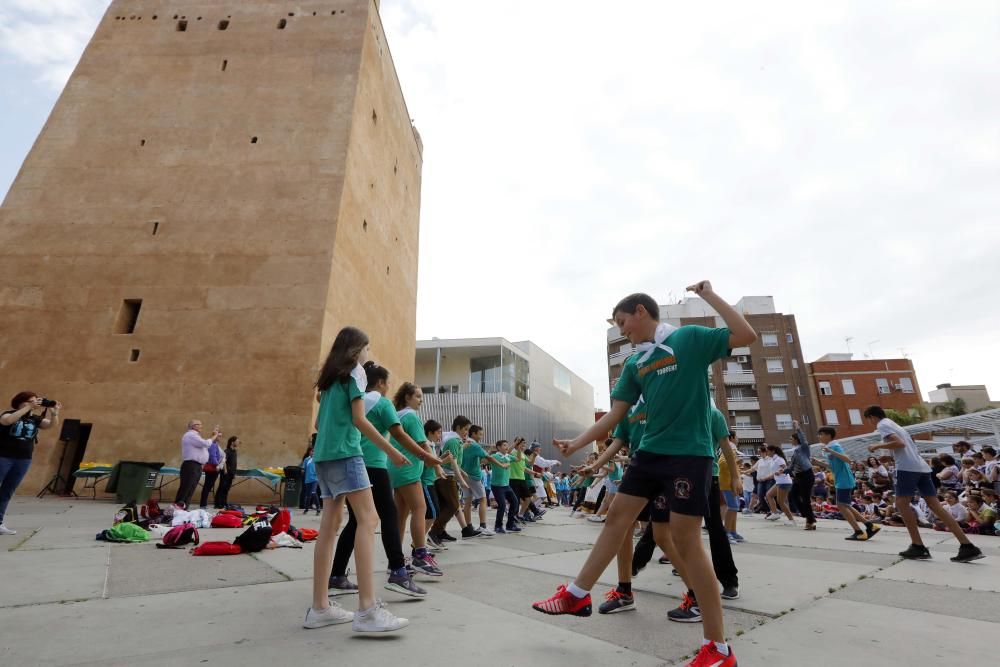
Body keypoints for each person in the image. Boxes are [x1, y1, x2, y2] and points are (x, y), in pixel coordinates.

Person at [535, 281, 756, 667]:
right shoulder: (635, 363)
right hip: (649, 452)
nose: (622, 331)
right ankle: (577, 593)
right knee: (616, 518)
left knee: (687, 542)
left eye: (623, 322)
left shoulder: (688, 339)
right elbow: (616, 415)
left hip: (690, 455)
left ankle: (719, 650)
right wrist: (578, 442)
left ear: (641, 311)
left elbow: (746, 334)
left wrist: (708, 295)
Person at [304, 326, 409, 632]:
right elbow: (359, 420)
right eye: (367, 347)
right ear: (355, 349)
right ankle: (367, 610)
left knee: (330, 526)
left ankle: (319, 607)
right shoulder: (356, 373)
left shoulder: (327, 380)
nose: (368, 353)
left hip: (323, 455)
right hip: (346, 454)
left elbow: (319, 422)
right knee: (369, 520)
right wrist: (391, 450)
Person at [330, 362, 439, 597]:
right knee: (389, 515)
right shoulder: (381, 402)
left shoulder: (357, 401)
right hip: (375, 466)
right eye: (387, 382)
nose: (388, 386)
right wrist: (426, 456)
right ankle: (398, 572)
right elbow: (399, 435)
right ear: (380, 383)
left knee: (356, 522)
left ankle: (337, 575)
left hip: (353, 463)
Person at [863, 405, 983, 563]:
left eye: (869, 420)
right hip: (921, 468)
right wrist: (890, 456)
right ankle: (967, 545)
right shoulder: (895, 425)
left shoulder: (882, 425)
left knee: (901, 504)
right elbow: (904, 446)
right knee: (937, 507)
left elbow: (899, 443)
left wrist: (877, 446)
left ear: (872, 417)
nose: (871, 423)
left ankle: (917, 545)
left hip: (907, 469)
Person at [384, 382, 445, 576]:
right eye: (418, 396)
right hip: (408, 470)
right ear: (407, 397)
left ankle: (395, 560)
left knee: (401, 516)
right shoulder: (411, 416)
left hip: (396, 468)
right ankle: (420, 554)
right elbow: (423, 445)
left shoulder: (397, 415)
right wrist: (436, 465)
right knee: (421, 508)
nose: (421, 400)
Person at [1, 392, 61, 535]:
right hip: (3, 457)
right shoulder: (8, 414)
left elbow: (50, 426)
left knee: (7, 491)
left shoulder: (34, 419)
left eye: (37, 401)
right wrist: (28, 408)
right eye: (32, 401)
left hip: (23, 459)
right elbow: (7, 421)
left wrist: (54, 413)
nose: (36, 404)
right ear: (21, 402)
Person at [817, 426, 879, 541]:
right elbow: (833, 467)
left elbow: (847, 459)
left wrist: (831, 451)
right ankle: (870, 526)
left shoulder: (834, 446)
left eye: (821, 434)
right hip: (841, 479)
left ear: (828, 435)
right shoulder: (828, 448)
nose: (819, 436)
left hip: (844, 480)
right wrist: (818, 462)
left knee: (841, 505)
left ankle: (859, 532)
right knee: (846, 505)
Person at [429, 416, 482, 542]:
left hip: (446, 476)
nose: (466, 432)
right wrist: (462, 480)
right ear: (458, 427)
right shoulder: (453, 441)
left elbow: (455, 459)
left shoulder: (456, 441)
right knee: (453, 506)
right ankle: (434, 532)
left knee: (446, 506)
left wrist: (462, 473)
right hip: (447, 477)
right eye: (465, 429)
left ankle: (440, 532)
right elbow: (453, 463)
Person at [461, 425, 509, 535]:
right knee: (483, 499)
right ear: (473, 434)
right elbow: (489, 457)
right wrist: (501, 465)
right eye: (480, 434)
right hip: (474, 476)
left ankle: (468, 527)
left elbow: (481, 459)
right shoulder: (475, 445)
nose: (481, 437)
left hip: (463, 476)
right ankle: (483, 526)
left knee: (467, 502)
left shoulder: (464, 444)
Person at [176, 419, 221, 509]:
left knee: (190, 489)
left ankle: (183, 510)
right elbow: (206, 443)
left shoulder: (195, 436)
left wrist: (213, 437)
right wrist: (215, 435)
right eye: (199, 424)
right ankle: (178, 509)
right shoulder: (191, 435)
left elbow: (204, 446)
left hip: (196, 466)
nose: (201, 426)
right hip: (191, 466)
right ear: (193, 426)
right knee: (186, 489)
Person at [788, 420, 817, 529]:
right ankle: (809, 516)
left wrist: (797, 427)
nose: (790, 440)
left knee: (805, 499)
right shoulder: (794, 451)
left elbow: (804, 439)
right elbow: (792, 466)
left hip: (806, 475)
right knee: (793, 495)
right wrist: (785, 471)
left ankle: (810, 522)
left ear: (796, 439)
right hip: (798, 476)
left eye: (791, 438)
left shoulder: (803, 448)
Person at [488, 440, 519, 533]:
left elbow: (518, 459)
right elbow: (484, 460)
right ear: (498, 447)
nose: (507, 447)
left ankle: (510, 524)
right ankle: (498, 526)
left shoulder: (508, 456)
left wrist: (520, 449)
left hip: (506, 485)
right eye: (504, 445)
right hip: (497, 486)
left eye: (507, 445)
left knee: (515, 502)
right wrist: (489, 451)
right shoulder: (495, 456)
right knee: (502, 505)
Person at [764, 445, 795, 525]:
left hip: (784, 482)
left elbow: (785, 468)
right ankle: (775, 514)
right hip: (779, 482)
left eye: (767, 451)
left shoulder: (779, 459)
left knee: (780, 501)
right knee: (769, 495)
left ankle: (791, 520)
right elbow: (774, 473)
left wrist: (780, 472)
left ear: (773, 451)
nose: (766, 452)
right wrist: (765, 478)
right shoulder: (773, 459)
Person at [199, 435, 225, 509]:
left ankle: (203, 504)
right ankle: (203, 504)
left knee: (207, 486)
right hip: (213, 468)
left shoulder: (215, 444)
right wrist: (217, 465)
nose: (220, 437)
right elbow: (213, 456)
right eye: (219, 436)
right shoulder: (213, 445)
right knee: (207, 486)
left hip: (213, 468)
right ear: (215, 437)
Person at [214, 436, 239, 509]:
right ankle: (218, 504)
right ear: (232, 442)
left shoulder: (234, 451)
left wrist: (234, 473)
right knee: (222, 487)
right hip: (225, 473)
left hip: (231, 473)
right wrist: (225, 470)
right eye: (237, 441)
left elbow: (234, 463)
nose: (238, 443)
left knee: (226, 489)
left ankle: (224, 503)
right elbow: (223, 461)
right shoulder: (227, 451)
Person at [301, 440, 320, 514]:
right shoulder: (306, 460)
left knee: (313, 492)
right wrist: (302, 470)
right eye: (312, 451)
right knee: (307, 495)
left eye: (314, 451)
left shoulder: (317, 460)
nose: (313, 453)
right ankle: (306, 509)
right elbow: (303, 468)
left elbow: (320, 469)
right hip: (307, 480)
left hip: (315, 479)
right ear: (309, 452)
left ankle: (318, 508)